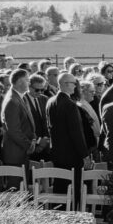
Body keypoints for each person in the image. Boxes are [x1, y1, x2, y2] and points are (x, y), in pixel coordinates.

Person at [46, 73, 91, 206]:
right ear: (65, 84)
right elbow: (76, 132)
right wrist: (85, 155)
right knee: (73, 189)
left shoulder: (50, 102)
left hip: (57, 152)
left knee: (59, 187)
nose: (76, 86)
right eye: (73, 83)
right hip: (72, 154)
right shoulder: (70, 105)